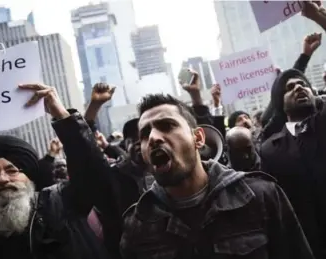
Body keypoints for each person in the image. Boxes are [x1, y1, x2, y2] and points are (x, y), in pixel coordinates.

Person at [120, 94, 313, 259]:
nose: (153, 137)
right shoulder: (138, 224)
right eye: (145, 134)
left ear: (198, 138)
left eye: (167, 126)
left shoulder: (260, 195)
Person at [0, 83, 116, 259]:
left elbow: (93, 173)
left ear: (29, 178)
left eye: (12, 170)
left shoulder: (59, 203)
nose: (3, 179)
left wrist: (62, 117)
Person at [260, 69, 326, 259]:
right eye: (290, 88)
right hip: (306, 247)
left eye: (304, 84)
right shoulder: (269, 150)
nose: (299, 87)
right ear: (280, 103)